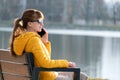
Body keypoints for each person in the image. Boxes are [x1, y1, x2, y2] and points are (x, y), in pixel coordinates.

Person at [9, 9, 88, 80]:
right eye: (40, 21)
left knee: (80, 75)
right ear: (30, 23)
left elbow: (45, 60)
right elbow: (46, 63)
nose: (42, 25)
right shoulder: (34, 40)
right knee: (81, 76)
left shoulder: (22, 39)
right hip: (45, 77)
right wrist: (67, 63)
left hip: (40, 75)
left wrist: (45, 43)